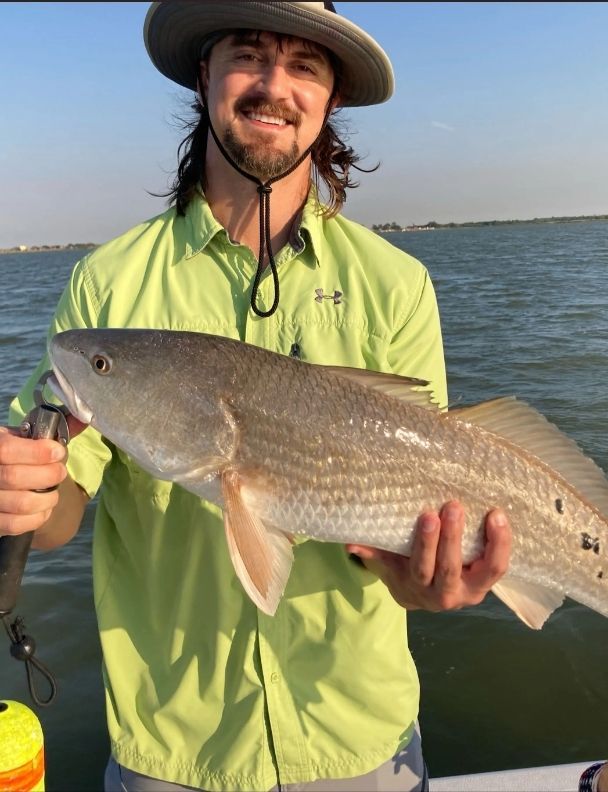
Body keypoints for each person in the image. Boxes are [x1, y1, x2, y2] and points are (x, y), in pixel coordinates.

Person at [1, 2, 512, 790]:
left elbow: (414, 534)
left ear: (331, 97)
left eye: (304, 64)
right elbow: (65, 507)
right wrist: (27, 493)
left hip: (360, 740)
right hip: (176, 749)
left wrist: (422, 580)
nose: (275, 85)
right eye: (249, 54)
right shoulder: (106, 286)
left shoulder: (396, 285)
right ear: (204, 73)